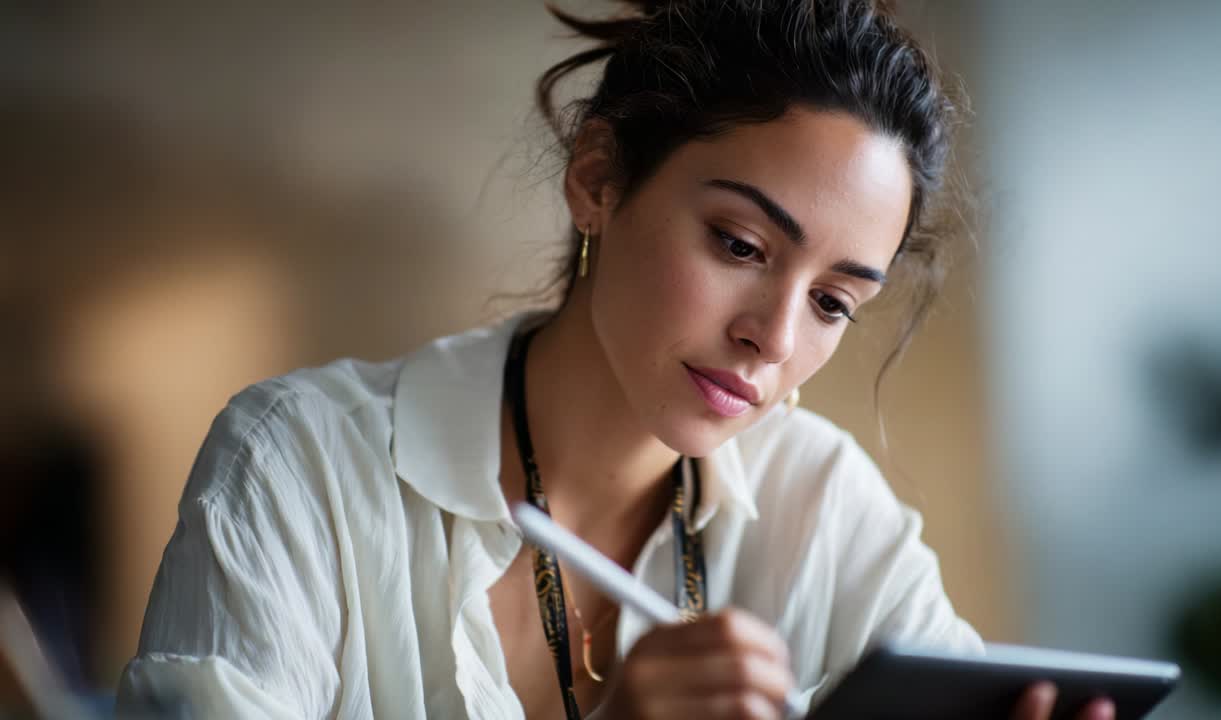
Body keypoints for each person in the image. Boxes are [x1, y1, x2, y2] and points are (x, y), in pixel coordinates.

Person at [119, 2, 1115, 719]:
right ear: (596, 180)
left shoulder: (823, 506)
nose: (771, 337)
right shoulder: (301, 468)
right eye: (738, 245)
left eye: (830, 301)